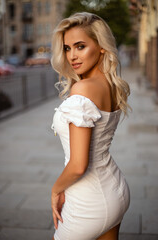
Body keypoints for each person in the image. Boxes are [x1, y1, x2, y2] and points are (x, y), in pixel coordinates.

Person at [51, 12, 131, 240]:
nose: (72, 56)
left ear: (102, 47)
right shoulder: (112, 86)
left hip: (89, 201)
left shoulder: (83, 89)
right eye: (67, 48)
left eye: (80, 46)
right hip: (116, 190)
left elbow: (78, 165)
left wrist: (56, 189)